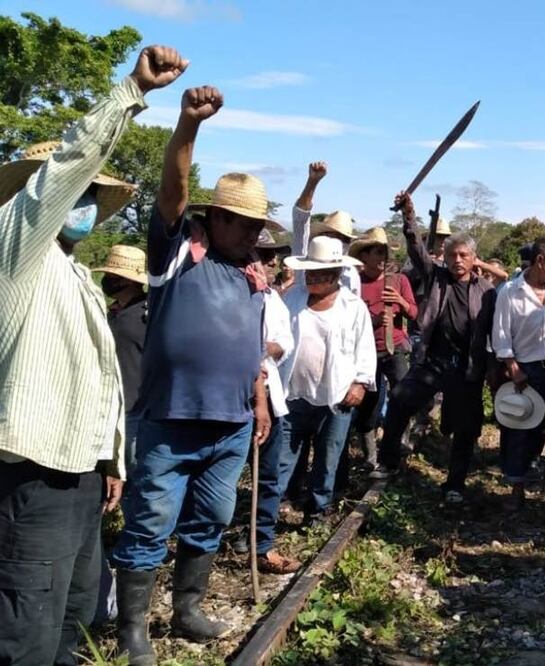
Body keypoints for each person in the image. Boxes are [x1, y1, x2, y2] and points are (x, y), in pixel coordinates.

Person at [0, 45, 184, 665]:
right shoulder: (16, 249)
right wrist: (131, 91)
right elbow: (62, 171)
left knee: (75, 609)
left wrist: (110, 459)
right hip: (32, 470)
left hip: (76, 469)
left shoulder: (73, 271)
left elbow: (96, 378)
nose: (83, 200)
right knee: (27, 621)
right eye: (78, 190)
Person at [111, 86, 275, 664]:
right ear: (215, 217)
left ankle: (187, 610)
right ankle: (133, 631)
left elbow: (251, 347)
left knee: (211, 519)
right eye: (245, 223)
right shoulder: (179, 253)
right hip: (171, 420)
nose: (254, 233)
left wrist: (258, 399)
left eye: (258, 224)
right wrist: (188, 125)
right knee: (150, 524)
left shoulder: (252, 274)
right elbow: (172, 190)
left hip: (231, 426)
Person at [372, 192, 496, 505]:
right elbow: (416, 249)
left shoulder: (486, 291)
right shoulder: (435, 276)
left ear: (473, 258)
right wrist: (409, 216)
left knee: (465, 428)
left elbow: (495, 331)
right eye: (452, 255)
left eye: (464, 255)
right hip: (432, 360)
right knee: (400, 399)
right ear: (445, 256)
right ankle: (387, 461)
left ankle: (455, 484)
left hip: (466, 367)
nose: (457, 260)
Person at [276, 237, 376, 525]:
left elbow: (365, 347)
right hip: (294, 394)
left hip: (336, 395)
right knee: (283, 459)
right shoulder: (292, 299)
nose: (313, 279)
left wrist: (360, 383)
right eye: (310, 273)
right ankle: (272, 510)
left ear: (335, 275)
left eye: (321, 274)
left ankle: (318, 512)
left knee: (327, 459)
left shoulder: (353, 306)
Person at [492, 239, 545, 509]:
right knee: (521, 428)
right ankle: (517, 485)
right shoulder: (510, 292)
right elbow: (501, 334)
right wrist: (513, 367)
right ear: (540, 260)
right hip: (527, 370)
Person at [239, 228, 300, 574]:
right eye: (264, 255)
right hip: (228, 399)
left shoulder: (272, 299)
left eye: (272, 256)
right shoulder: (226, 291)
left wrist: (261, 350)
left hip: (268, 398)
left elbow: (283, 342)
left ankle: (261, 544)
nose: (271, 262)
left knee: (267, 476)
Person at [349, 227, 417, 473]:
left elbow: (414, 313)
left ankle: (400, 442)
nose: (382, 258)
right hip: (367, 352)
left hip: (395, 347)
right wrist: (373, 321)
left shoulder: (399, 281)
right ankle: (370, 456)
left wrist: (400, 301)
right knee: (368, 404)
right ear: (364, 256)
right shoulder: (355, 283)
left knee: (403, 396)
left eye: (384, 252)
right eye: (377, 252)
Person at [93, 245, 150, 470]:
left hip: (136, 409)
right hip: (108, 406)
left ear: (129, 281)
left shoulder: (149, 313)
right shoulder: (111, 312)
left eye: (113, 277)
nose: (107, 281)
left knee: (133, 472)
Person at [291, 161, 361, 294]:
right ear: (322, 237)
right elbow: (300, 217)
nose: (340, 243)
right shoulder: (304, 260)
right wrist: (312, 182)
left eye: (345, 239)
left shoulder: (351, 274)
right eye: (335, 237)